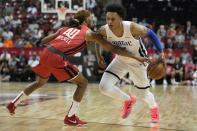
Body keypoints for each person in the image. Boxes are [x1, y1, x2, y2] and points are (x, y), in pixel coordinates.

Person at [6, 10, 149, 126]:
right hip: (58, 58)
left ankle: (13, 104)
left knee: (39, 83)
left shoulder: (65, 28)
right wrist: (136, 57)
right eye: (91, 18)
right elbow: (112, 48)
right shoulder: (89, 33)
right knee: (83, 83)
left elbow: (43, 41)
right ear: (86, 20)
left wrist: (62, 39)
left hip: (46, 53)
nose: (92, 20)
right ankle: (71, 117)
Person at [95, 4, 165, 123]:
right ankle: (128, 100)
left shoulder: (132, 27)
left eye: (113, 19)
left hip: (139, 62)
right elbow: (97, 38)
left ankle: (154, 108)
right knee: (104, 87)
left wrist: (161, 52)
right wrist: (98, 56)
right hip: (121, 60)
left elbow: (151, 34)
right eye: (108, 19)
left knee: (144, 95)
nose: (109, 22)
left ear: (121, 19)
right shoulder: (104, 29)